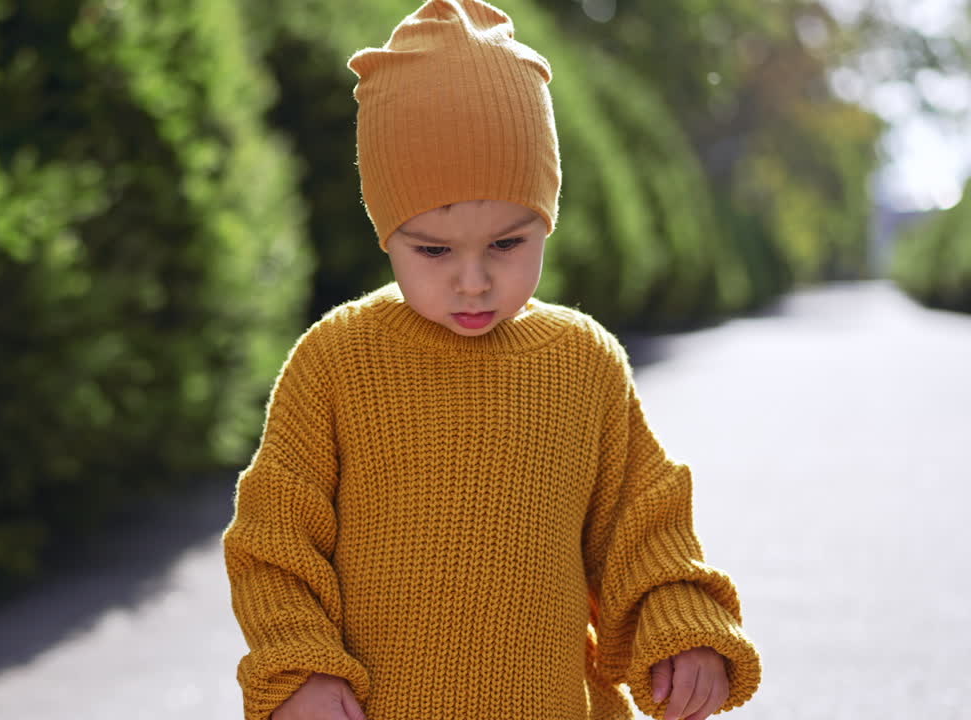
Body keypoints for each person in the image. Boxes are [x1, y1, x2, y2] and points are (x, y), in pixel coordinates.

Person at [221, 1, 761, 718]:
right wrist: (299, 669)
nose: (472, 280)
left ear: (546, 220)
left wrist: (684, 631)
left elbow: (645, 524)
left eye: (508, 244)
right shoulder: (336, 360)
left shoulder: (582, 363)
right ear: (386, 232)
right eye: (434, 250)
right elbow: (273, 541)